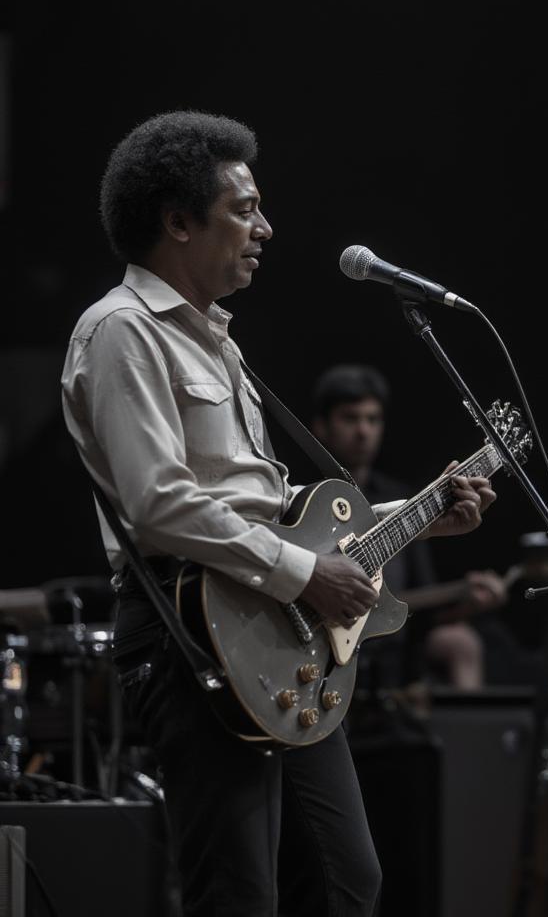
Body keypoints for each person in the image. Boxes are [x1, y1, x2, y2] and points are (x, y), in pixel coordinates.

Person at [60, 110, 496, 917]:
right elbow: (158, 504)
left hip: (269, 630)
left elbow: (288, 517)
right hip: (191, 631)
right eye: (245, 208)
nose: (266, 227)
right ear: (179, 222)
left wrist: (428, 513)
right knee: (239, 894)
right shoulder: (123, 333)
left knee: (344, 881)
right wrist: (304, 576)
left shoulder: (221, 343)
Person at [311, 363, 507, 690]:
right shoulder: (306, 498)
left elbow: (413, 608)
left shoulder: (400, 501)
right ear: (321, 425)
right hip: (319, 652)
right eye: (350, 418)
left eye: (372, 420)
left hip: (389, 672)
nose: (363, 431)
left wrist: (464, 600)